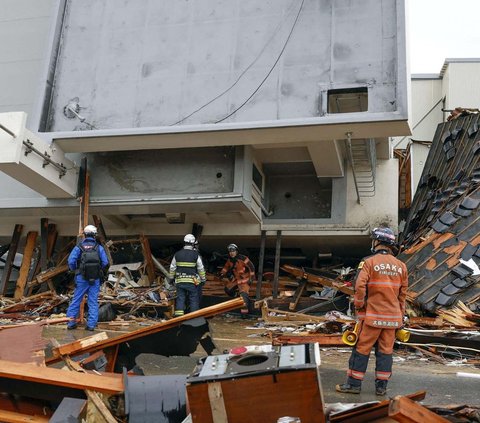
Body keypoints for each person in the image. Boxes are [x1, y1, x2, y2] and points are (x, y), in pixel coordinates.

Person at [336, 227, 408, 396]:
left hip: (372, 318)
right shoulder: (401, 266)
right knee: (386, 352)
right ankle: (381, 388)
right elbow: (402, 295)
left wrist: (359, 305)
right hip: (392, 320)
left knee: (361, 349)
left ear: (377, 242)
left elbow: (359, 286)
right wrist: (400, 316)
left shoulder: (368, 262)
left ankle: (354, 385)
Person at [66, 225, 109, 331]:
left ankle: (71, 323)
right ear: (95, 235)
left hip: (81, 278)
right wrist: (98, 271)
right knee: (93, 302)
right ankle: (91, 325)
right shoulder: (99, 248)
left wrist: (76, 270)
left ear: (84, 235)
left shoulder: (78, 247)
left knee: (76, 300)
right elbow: (105, 262)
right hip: (95, 279)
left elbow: (71, 261)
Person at [169, 234, 206, 317]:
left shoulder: (177, 254)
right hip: (192, 282)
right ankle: (194, 317)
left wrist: (171, 279)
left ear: (184, 242)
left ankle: (179, 318)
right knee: (193, 299)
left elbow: (172, 268)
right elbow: (201, 268)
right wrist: (203, 279)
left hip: (180, 281)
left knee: (180, 298)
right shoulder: (195, 254)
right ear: (193, 243)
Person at [219, 244, 255, 318]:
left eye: (233, 251)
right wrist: (222, 273)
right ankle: (237, 296)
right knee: (228, 289)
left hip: (244, 280)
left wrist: (251, 279)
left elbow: (251, 267)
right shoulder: (230, 260)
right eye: (230, 251)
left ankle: (244, 314)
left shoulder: (243, 258)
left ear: (236, 251)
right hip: (237, 279)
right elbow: (226, 267)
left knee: (244, 297)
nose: (231, 253)